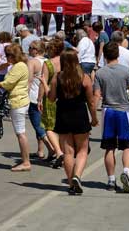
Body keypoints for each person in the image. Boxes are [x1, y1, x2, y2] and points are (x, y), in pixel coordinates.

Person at [48, 49, 98, 194]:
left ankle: (71, 183)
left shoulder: (57, 78)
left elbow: (51, 99)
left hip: (63, 115)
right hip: (79, 114)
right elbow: (91, 102)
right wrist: (94, 118)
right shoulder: (84, 77)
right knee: (82, 150)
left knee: (68, 152)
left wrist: (46, 89)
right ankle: (77, 176)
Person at [94, 42, 129, 193]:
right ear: (118, 55)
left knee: (109, 147)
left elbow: (96, 95)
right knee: (127, 145)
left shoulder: (100, 73)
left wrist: (93, 114)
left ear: (104, 56)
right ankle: (126, 171)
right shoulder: (126, 71)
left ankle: (111, 179)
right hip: (123, 111)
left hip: (108, 111)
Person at [0, 44, 32, 171]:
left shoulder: (19, 66)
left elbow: (7, 84)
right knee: (20, 132)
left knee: (20, 133)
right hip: (19, 100)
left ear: (13, 56)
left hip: (18, 101)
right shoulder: (18, 65)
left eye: (7, 55)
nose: (6, 58)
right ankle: (25, 160)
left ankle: (26, 162)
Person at [41, 39, 65, 167]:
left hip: (50, 95)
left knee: (49, 127)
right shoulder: (65, 61)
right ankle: (61, 150)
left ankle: (59, 151)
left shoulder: (48, 63)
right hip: (63, 95)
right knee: (60, 126)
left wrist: (39, 99)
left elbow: (43, 81)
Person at [27, 40, 53, 160]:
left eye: (30, 48)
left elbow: (29, 80)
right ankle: (40, 151)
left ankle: (52, 149)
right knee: (44, 124)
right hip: (47, 95)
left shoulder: (32, 62)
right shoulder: (48, 61)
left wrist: (24, 94)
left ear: (36, 50)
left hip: (34, 96)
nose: (28, 50)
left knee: (38, 125)